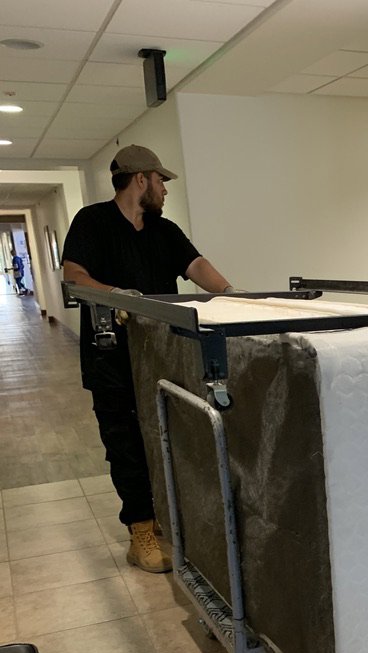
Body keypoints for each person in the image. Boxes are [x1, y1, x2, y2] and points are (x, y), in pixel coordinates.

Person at [62, 144, 236, 573]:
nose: (164, 189)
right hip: (111, 358)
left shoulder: (165, 231)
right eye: (161, 180)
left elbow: (203, 272)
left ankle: (169, 517)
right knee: (126, 444)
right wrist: (117, 296)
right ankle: (141, 530)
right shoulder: (93, 222)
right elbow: (74, 277)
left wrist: (239, 303)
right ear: (140, 179)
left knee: (168, 437)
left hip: (163, 357)